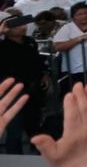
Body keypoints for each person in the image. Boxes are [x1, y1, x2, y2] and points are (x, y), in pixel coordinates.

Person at [0, 11, 49, 154]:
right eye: (16, 26)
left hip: (32, 87)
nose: (22, 28)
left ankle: (41, 152)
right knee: (14, 125)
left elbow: (37, 60)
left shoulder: (30, 42)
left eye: (23, 24)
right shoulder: (2, 45)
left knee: (33, 121)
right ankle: (15, 156)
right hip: (12, 89)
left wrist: (44, 74)